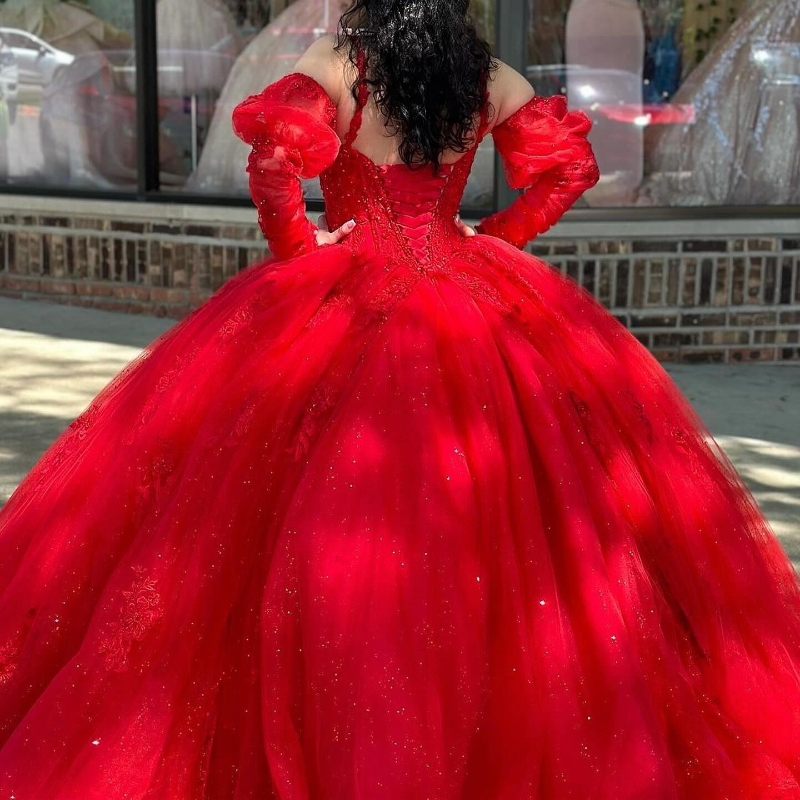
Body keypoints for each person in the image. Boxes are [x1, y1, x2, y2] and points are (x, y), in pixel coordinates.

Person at [0, 1, 799, 796]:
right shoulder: (485, 75)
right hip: (470, 281)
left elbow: (275, 163)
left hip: (349, 290)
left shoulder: (340, 64)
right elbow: (571, 169)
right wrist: (502, 238)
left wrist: (299, 250)